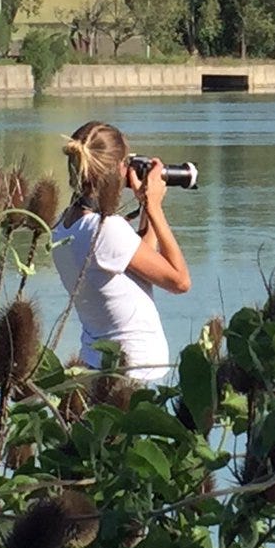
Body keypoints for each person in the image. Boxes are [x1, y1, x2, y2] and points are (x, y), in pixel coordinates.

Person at [52, 120, 191, 382]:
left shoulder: (64, 226)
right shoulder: (105, 229)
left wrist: (145, 205)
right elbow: (180, 281)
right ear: (118, 169)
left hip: (100, 366)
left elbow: (140, 262)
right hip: (136, 372)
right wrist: (156, 208)